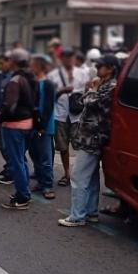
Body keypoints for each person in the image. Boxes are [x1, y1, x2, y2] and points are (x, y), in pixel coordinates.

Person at [58, 54, 119, 227]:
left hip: (93, 136)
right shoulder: (104, 84)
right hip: (90, 135)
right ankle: (91, 212)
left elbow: (90, 102)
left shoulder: (110, 86)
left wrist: (91, 90)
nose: (97, 69)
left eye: (100, 66)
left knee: (78, 177)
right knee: (91, 178)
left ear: (110, 69)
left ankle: (77, 216)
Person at [0, 49, 37, 210]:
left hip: (14, 126)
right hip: (27, 123)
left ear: (13, 62)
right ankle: (24, 191)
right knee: (21, 160)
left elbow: (9, 106)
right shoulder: (30, 78)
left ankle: (22, 196)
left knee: (17, 161)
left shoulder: (15, 80)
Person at [47, 47, 88, 187]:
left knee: (79, 146)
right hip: (60, 115)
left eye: (71, 57)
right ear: (61, 59)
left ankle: (78, 173)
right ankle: (67, 173)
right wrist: (62, 91)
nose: (68, 59)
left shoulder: (82, 73)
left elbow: (88, 91)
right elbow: (49, 96)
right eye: (65, 57)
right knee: (63, 146)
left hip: (77, 115)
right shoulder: (53, 75)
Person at [29, 54, 57, 200]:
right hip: (33, 125)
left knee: (45, 156)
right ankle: (40, 181)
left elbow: (48, 107)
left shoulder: (48, 84)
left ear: (39, 66)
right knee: (35, 154)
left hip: (44, 126)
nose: (30, 67)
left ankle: (47, 185)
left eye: (32, 65)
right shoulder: (33, 82)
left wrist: (42, 126)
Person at [0, 53, 14, 184]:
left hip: (6, 118)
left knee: (7, 146)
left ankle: (12, 172)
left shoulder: (11, 78)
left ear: (9, 62)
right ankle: (8, 167)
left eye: (2, 63)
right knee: (2, 145)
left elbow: (8, 102)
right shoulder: (2, 76)